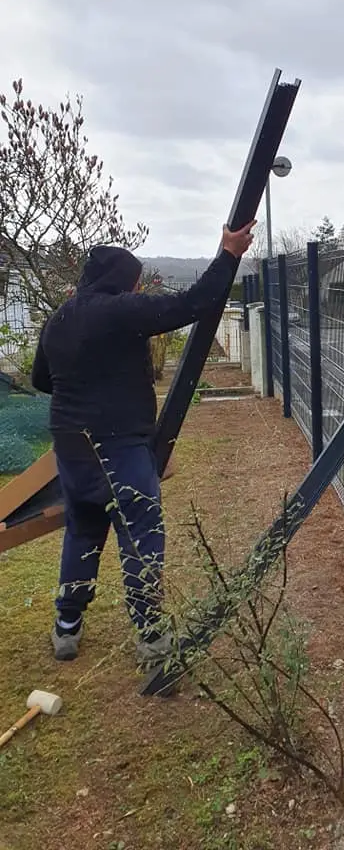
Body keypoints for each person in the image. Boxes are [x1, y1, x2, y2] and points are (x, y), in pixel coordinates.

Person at [31, 221, 255, 664]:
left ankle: (67, 627)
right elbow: (190, 304)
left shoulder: (60, 318)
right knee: (141, 536)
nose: (136, 287)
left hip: (71, 446)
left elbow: (42, 379)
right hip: (118, 444)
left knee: (83, 530)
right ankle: (152, 638)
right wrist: (229, 253)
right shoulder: (119, 311)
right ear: (119, 280)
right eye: (133, 280)